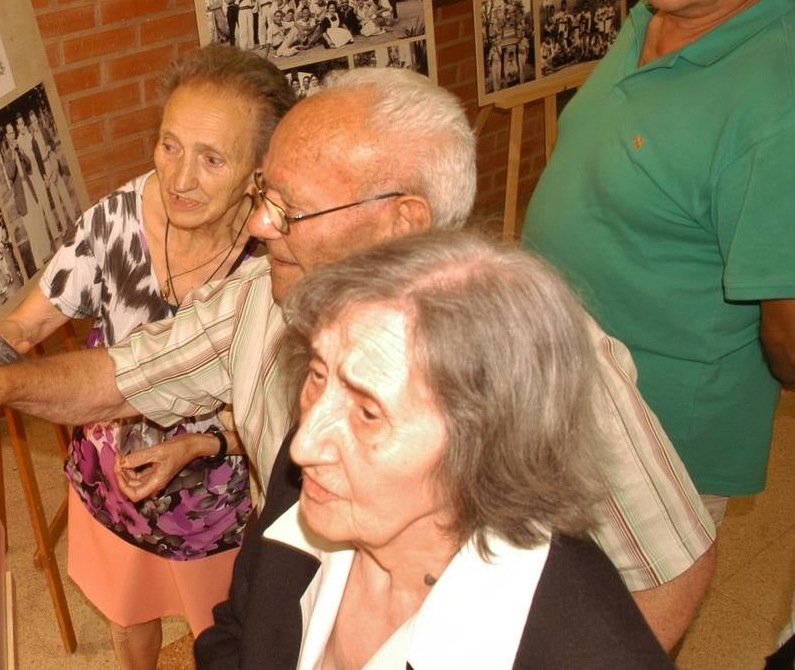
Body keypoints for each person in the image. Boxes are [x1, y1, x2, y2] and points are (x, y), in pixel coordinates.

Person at [0, 68, 717, 650]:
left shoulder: (543, 359)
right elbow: (117, 376)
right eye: (262, 198)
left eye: (288, 208)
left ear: (401, 221)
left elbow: (669, 566)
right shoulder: (263, 300)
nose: (256, 227)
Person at [196, 231, 671, 668]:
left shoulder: (588, 649)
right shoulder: (309, 485)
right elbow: (238, 632)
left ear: (485, 448)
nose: (302, 446)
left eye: (368, 413)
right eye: (319, 376)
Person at [523, 0, 795, 528]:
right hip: (560, 396)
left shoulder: (779, 101)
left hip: (652, 441)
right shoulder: (666, 9)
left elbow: (789, 335)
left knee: (612, 639)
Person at [0, 46, 295, 669]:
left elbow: (282, 419)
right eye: (169, 145)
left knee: (229, 641)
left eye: (212, 158)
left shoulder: (278, 263)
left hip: (218, 509)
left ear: (258, 171)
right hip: (111, 487)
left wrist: (197, 444)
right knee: (127, 624)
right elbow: (26, 323)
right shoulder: (115, 220)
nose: (180, 179)